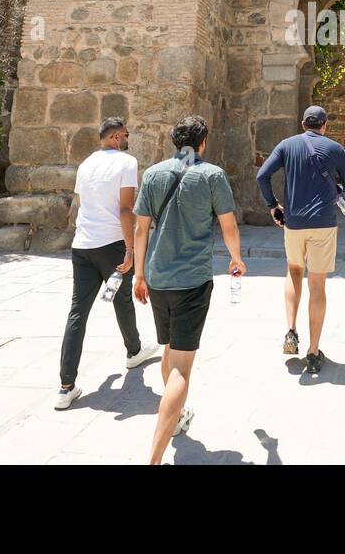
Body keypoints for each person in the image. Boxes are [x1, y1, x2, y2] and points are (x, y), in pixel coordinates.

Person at [133, 115, 244, 465]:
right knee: (181, 366)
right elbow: (228, 224)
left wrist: (138, 274)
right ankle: (153, 457)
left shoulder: (152, 174)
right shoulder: (211, 175)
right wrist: (236, 259)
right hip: (192, 281)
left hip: (157, 278)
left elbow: (140, 230)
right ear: (203, 143)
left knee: (169, 349)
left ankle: (176, 417)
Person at [56, 117, 158, 410]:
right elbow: (126, 209)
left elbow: (81, 203)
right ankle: (134, 350)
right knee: (122, 299)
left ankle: (65, 387)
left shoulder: (86, 164)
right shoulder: (126, 163)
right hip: (112, 243)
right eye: (125, 134)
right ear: (115, 137)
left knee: (78, 312)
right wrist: (130, 250)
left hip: (83, 245)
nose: (128, 139)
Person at [256, 105, 345, 375]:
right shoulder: (335, 149)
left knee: (293, 271)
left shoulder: (286, 146)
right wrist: (334, 188)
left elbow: (262, 175)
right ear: (324, 124)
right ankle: (313, 352)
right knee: (318, 285)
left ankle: (291, 330)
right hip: (323, 223)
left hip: (294, 221)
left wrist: (273, 205)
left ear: (303, 123)